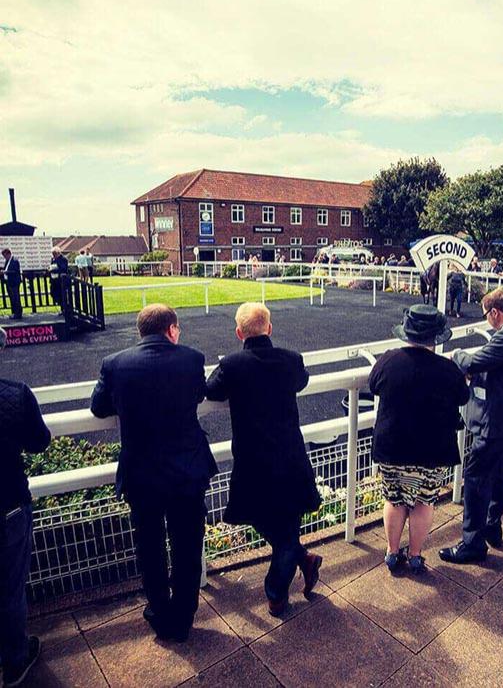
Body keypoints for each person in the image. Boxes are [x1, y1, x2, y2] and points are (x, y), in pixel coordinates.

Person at [90, 304, 217, 642]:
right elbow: (197, 394)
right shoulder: (191, 359)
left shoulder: (115, 364)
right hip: (187, 471)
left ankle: (160, 611)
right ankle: (184, 616)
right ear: (171, 330)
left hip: (142, 473)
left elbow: (98, 407)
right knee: (187, 545)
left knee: (149, 546)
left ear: (141, 332)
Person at [205, 303, 322, 615]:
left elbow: (211, 391)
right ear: (269, 329)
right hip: (290, 458)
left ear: (239, 333)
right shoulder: (291, 359)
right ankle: (302, 559)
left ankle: (276, 594)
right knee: (288, 526)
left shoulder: (231, 364)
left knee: (260, 517)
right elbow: (302, 380)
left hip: (252, 461)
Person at [369, 306, 469, 573]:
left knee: (394, 499)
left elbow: (372, 384)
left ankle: (392, 553)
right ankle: (414, 556)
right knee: (424, 502)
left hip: (392, 447)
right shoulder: (449, 370)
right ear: (436, 337)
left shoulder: (389, 360)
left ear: (407, 333)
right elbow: (463, 397)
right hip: (433, 450)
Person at [439, 289, 503, 563]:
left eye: (486, 316)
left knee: (476, 476)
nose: (487, 321)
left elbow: (473, 361)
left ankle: (472, 543)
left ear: (494, 312)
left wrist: (457, 355)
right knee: (498, 475)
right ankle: (492, 527)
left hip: (496, 422)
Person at [0, 327, 51, 686]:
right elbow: (39, 441)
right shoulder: (15, 394)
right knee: (10, 589)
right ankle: (15, 661)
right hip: (9, 506)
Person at [1, 248, 23, 319]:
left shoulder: (15, 260)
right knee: (12, 298)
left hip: (14, 282)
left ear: (8, 254)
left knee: (16, 298)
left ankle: (18, 313)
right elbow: (6, 269)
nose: (4, 257)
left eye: (5, 255)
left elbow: (15, 271)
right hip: (9, 282)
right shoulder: (7, 261)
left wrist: (5, 272)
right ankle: (14, 312)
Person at [48, 247, 69, 313]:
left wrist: (53, 270)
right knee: (53, 293)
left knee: (62, 295)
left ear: (58, 253)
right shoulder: (53, 259)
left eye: (54, 254)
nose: (53, 255)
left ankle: (64, 309)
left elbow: (63, 269)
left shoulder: (63, 259)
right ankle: (62, 307)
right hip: (54, 281)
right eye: (52, 254)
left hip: (61, 281)